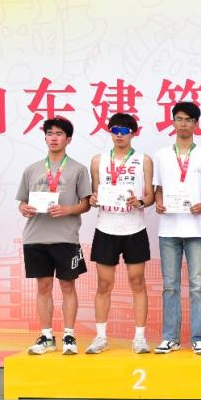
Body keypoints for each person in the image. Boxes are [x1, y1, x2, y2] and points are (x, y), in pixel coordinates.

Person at [16, 117, 92, 355]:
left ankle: (69, 335)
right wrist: (24, 209)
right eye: (49, 133)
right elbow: (22, 203)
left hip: (66, 237)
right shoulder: (31, 169)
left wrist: (67, 210)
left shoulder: (79, 169)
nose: (54, 138)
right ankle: (47, 337)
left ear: (68, 139)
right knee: (43, 286)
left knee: (68, 286)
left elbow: (86, 203)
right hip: (35, 237)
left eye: (59, 134)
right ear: (45, 138)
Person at [85, 113, 155, 354]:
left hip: (135, 228)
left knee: (137, 281)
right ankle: (100, 337)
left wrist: (140, 202)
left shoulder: (144, 160)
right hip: (106, 227)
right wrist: (93, 199)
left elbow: (150, 195)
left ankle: (140, 338)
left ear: (133, 133)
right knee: (104, 283)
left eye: (124, 131)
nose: (119, 135)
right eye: (115, 130)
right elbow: (94, 195)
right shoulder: (98, 160)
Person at [152, 102, 201, 355]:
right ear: (172, 122)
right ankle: (170, 338)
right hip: (168, 228)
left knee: (198, 286)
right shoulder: (161, 154)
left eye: (188, 120)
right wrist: (158, 203)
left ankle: (198, 338)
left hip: (197, 228)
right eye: (179, 119)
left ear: (196, 124)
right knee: (170, 285)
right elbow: (158, 188)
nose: (183, 124)